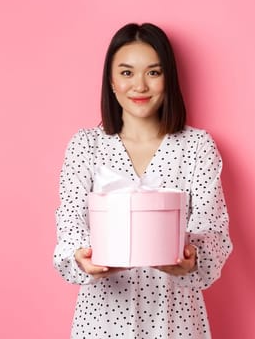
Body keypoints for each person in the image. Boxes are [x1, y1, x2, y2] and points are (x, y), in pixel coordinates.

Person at [52, 23, 233, 339]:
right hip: (103, 318)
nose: (139, 85)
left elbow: (213, 230)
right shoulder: (86, 146)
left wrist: (193, 260)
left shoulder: (196, 146)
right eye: (126, 73)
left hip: (174, 317)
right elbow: (70, 225)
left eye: (153, 72)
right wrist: (81, 257)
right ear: (111, 81)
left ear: (168, 79)